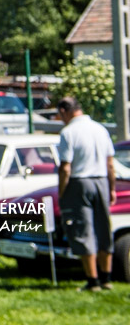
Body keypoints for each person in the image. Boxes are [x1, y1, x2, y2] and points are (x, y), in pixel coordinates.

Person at [57, 96, 118, 291]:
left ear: (65, 111)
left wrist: (62, 191)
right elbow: (110, 164)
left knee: (84, 231)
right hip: (101, 180)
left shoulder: (69, 132)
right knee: (103, 229)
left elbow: (66, 167)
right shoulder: (100, 129)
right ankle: (106, 277)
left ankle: (92, 281)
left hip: (79, 181)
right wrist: (112, 188)